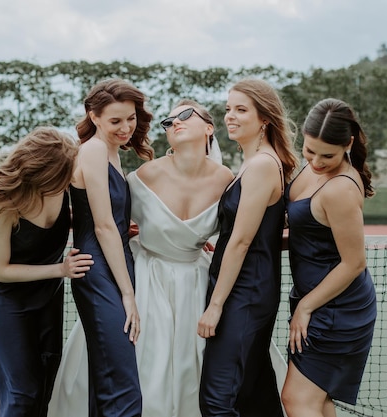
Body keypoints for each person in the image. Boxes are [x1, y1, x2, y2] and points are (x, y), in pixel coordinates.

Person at [0, 126, 94, 417]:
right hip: (6, 300)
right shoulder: (5, 204)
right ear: (42, 173)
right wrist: (60, 269)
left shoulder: (62, 189)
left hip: (47, 295)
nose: (67, 180)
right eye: (61, 175)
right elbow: (0, 271)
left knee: (45, 379)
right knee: (22, 390)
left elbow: (78, 219)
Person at [197, 78, 300, 417]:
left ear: (264, 118)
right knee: (253, 393)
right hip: (248, 286)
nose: (230, 116)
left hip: (246, 292)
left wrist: (215, 306)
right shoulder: (255, 162)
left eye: (241, 110)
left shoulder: (261, 165)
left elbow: (241, 242)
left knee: (217, 400)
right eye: (228, 109)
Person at [130, 99, 234, 417]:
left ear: (209, 128)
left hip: (196, 283)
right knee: (150, 370)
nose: (175, 122)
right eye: (168, 121)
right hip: (150, 281)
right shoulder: (144, 175)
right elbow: (111, 223)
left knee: (198, 369)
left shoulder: (227, 180)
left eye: (186, 115)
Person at [61, 78, 154, 417]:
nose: (126, 127)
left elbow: (115, 222)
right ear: (94, 116)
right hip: (96, 269)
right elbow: (102, 225)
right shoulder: (94, 149)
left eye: (130, 118)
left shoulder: (113, 152)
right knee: (123, 385)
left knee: (109, 377)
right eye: (116, 120)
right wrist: (128, 295)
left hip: (115, 263)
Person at [280, 98, 377, 417]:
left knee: (297, 399)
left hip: (338, 308)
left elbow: (354, 263)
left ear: (348, 144)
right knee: (317, 400)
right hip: (317, 299)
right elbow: (308, 235)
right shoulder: (311, 167)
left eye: (327, 155)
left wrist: (305, 308)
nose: (317, 162)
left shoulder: (341, 189)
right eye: (310, 151)